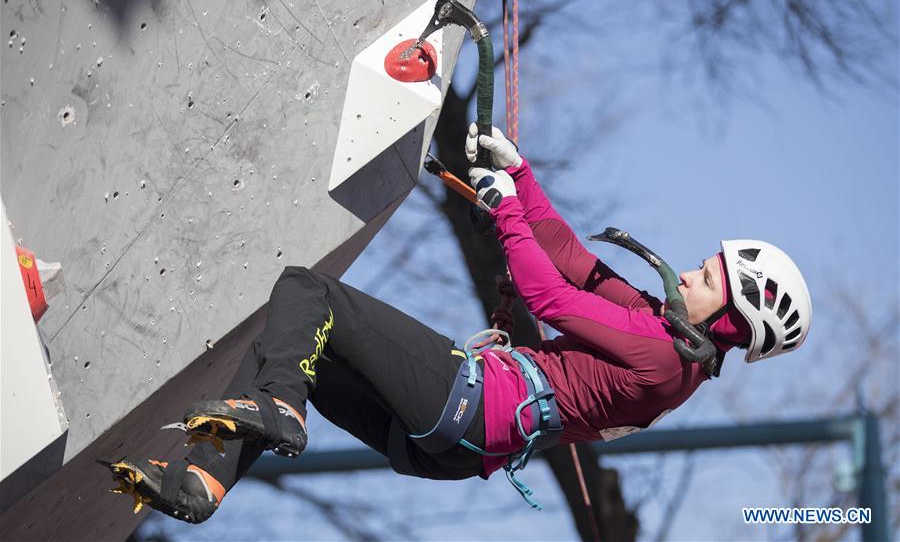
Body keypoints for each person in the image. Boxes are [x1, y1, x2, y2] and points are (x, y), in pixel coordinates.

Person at [109, 124, 812, 523]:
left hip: (472, 402)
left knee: (306, 292)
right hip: (449, 448)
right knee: (294, 351)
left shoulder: (666, 361)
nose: (688, 274)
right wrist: (521, 177)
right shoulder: (662, 335)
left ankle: (280, 410)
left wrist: (505, 211)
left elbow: (554, 302)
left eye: (706, 277)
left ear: (731, 316)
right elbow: (571, 261)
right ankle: (204, 482)